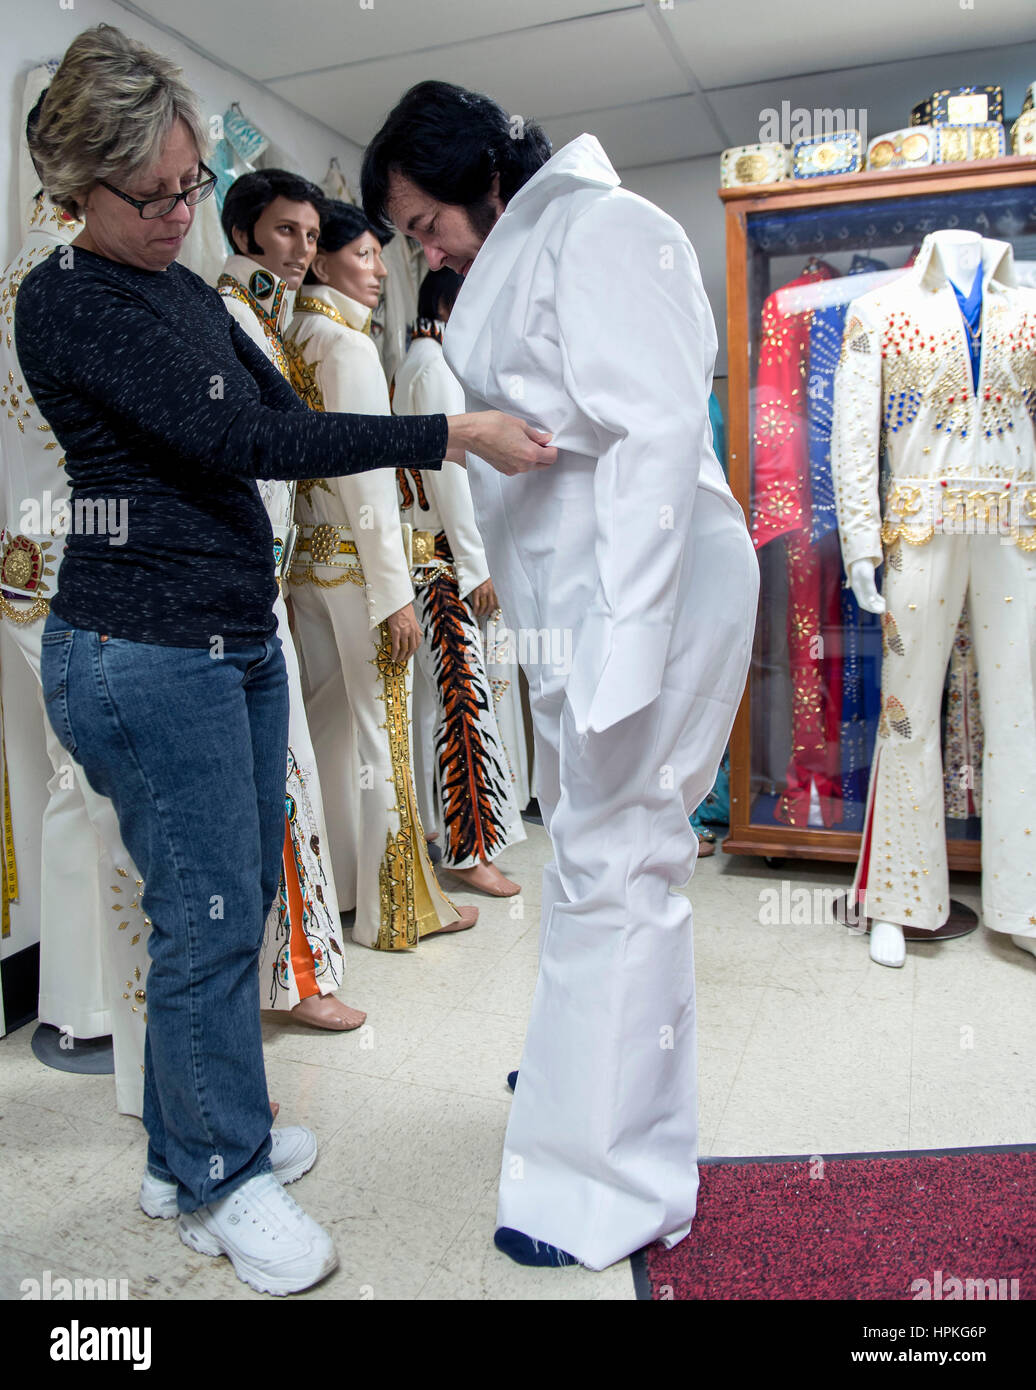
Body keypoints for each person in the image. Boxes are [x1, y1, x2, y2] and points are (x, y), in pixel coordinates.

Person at [18, 28, 554, 1297]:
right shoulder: (66, 300)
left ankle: (187, 1149)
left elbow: (287, 413)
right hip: (144, 651)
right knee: (203, 918)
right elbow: (251, 436)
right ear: (73, 194)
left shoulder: (182, 287)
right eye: (151, 195)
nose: (180, 211)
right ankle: (218, 1175)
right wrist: (449, 429)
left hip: (230, 635)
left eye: (190, 182)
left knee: (227, 902)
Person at [363, 80, 759, 1271]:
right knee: (593, 854)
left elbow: (655, 439)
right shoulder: (534, 242)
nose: (424, 247)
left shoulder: (602, 228)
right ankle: (587, 1082)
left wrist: (621, 658)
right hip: (581, 602)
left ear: (485, 174)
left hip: (646, 597)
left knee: (620, 863)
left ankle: (612, 1186)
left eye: (427, 220)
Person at [0, 90, 150, 1117]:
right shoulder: (77, 279)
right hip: (94, 562)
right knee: (103, 791)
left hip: (22, 563)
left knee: (61, 782)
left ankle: (73, 1004)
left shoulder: (10, 276)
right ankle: (104, 1010)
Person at [282, 200, 477, 948]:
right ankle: (399, 906)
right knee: (382, 729)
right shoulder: (348, 347)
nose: (375, 273)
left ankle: (344, 890)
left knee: (328, 731)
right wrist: (395, 593)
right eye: (362, 256)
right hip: (361, 568)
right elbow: (368, 477)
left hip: (304, 564)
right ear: (326, 261)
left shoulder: (288, 334)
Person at [218, 169, 359, 1023]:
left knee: (287, 771)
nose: (304, 251)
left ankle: (294, 976)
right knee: (280, 777)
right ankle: (294, 982)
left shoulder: (269, 321)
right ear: (243, 234)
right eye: (285, 233)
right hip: (241, 588)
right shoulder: (231, 316)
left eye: (312, 236)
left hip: (267, 579)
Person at [392, 266, 527, 895]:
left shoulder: (422, 361)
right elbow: (445, 469)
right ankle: (468, 852)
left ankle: (457, 841)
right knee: (461, 703)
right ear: (452, 302)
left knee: (451, 703)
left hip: (435, 555)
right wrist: (475, 566)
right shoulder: (432, 366)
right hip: (438, 561)